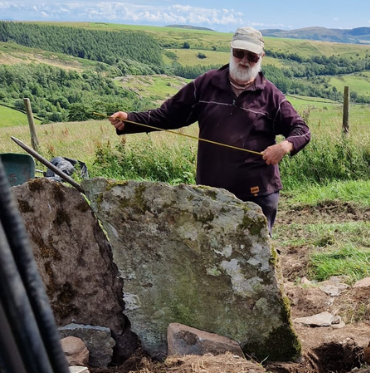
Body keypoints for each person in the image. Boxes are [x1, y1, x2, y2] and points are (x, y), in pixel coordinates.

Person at [108, 26, 310, 235]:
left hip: (257, 193)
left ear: (261, 57)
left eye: (251, 56)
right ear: (231, 50)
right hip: (211, 192)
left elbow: (302, 129)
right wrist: (130, 120)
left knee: (258, 256)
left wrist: (284, 147)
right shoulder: (205, 84)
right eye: (239, 53)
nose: (244, 60)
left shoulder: (270, 95)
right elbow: (168, 114)